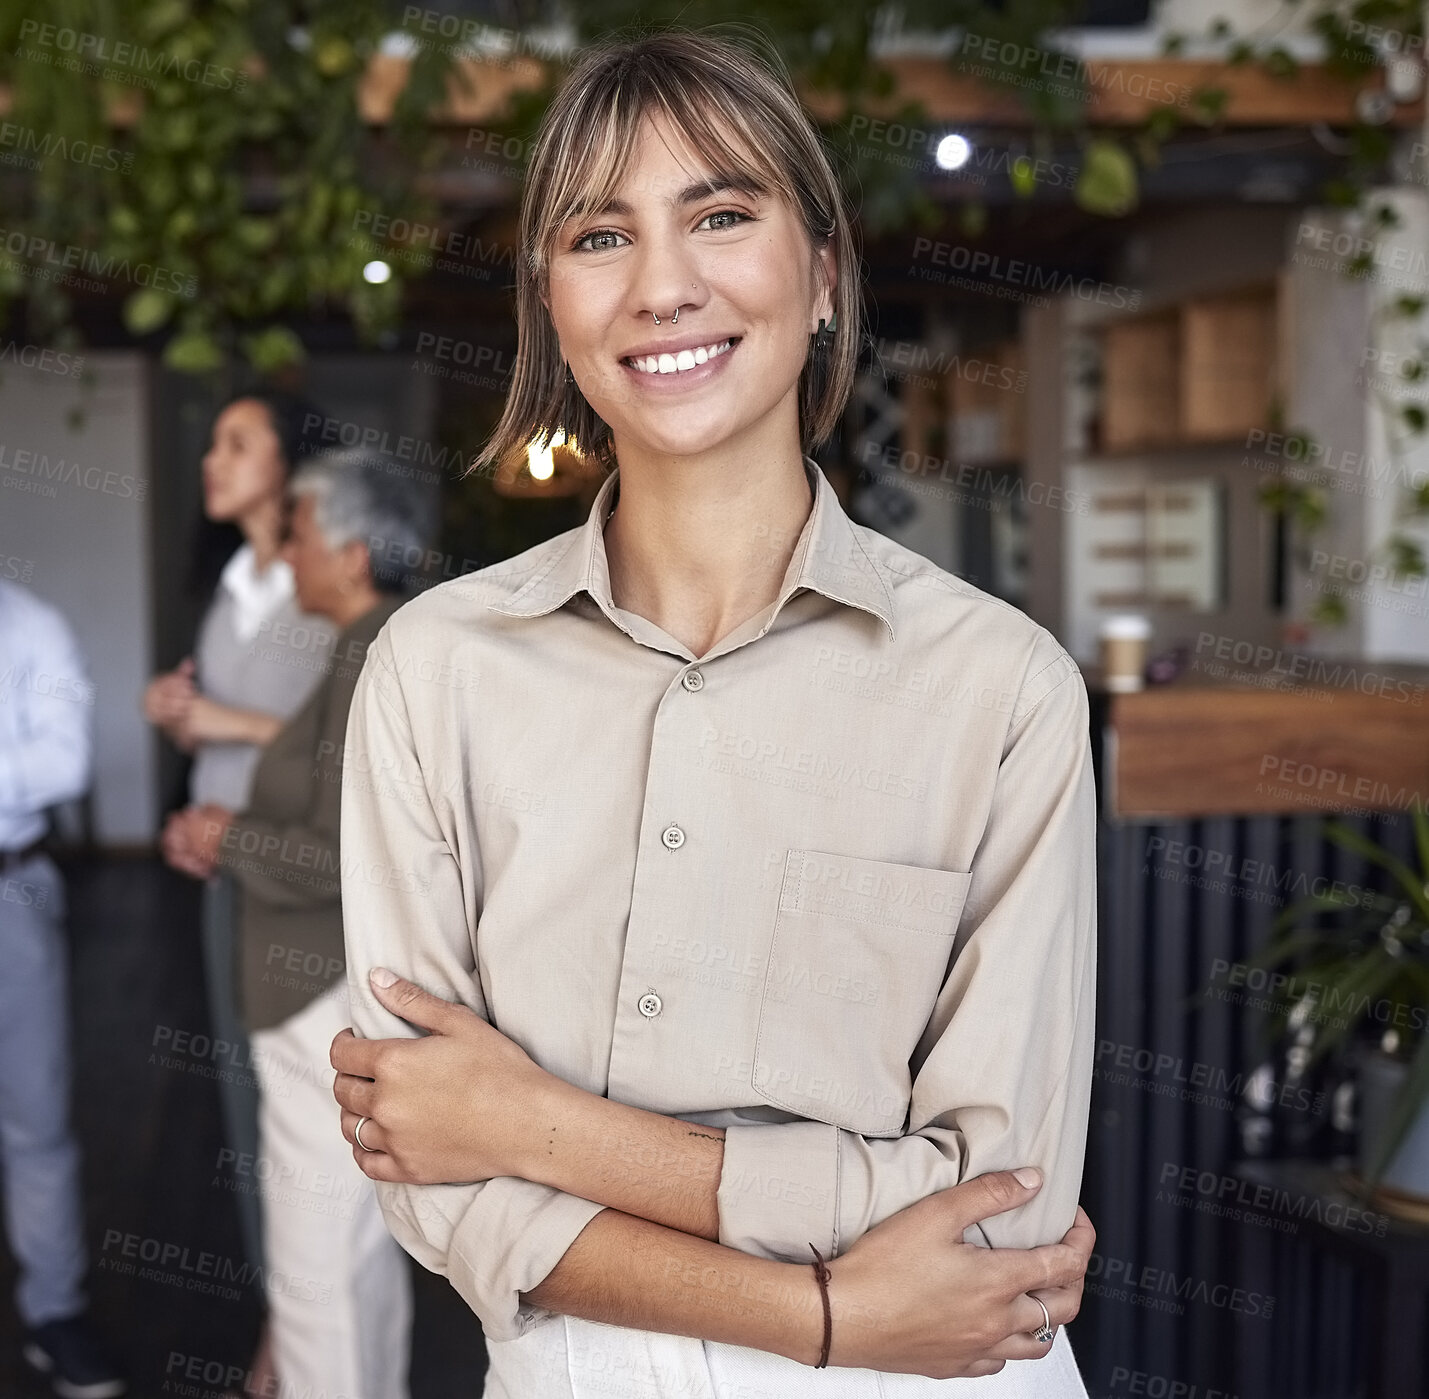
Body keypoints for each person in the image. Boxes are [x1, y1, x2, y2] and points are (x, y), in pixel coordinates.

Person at [332, 28, 1097, 1399]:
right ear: (551, 306)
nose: (664, 286)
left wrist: (538, 1124)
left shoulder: (1001, 687)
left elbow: (999, 1207)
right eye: (598, 235)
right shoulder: (436, 667)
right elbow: (433, 1175)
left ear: (820, 275)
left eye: (723, 215)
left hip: (940, 1363)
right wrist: (823, 1311)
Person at [162, 450, 428, 1399]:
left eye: (303, 532)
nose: (289, 547)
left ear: (353, 553)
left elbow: (334, 855)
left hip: (317, 992)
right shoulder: (373, 647)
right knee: (356, 1252)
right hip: (336, 993)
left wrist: (227, 834)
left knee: (317, 1269)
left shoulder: (367, 655)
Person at [143, 388, 335, 1311]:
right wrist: (184, 721)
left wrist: (224, 718)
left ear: (288, 464)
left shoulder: (331, 584)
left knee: (302, 1106)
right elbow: (232, 736)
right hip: (222, 870)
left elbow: (345, 739)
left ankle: (303, 1320)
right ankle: (278, 1314)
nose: (212, 461)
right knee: (237, 1096)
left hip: (300, 881)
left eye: (235, 443)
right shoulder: (230, 588)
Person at [1, 580, 126, 1397]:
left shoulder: (33, 624)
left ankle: (54, 1310)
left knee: (35, 1118)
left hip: (10, 888)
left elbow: (66, 760)